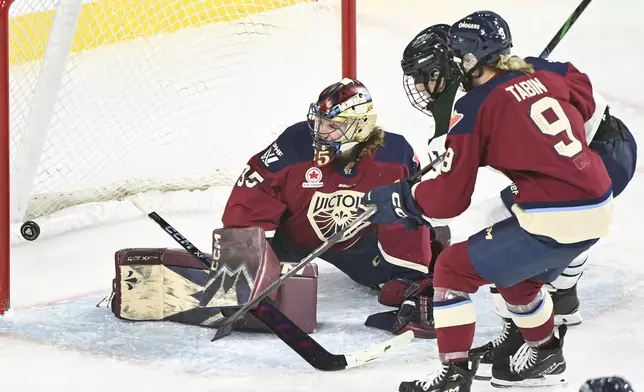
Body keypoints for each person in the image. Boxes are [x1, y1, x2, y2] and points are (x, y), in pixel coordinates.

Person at [363, 11, 614, 391]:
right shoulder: (546, 72)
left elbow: (450, 199)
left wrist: (405, 199)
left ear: (467, 59)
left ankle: (453, 375)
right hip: (598, 201)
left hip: (554, 213)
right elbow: (579, 85)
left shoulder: (474, 109)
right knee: (514, 276)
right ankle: (545, 355)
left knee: (451, 268)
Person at [216, 77, 446, 338]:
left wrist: (415, 266)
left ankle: (420, 274)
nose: (319, 131)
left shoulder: (395, 154)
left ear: (360, 127)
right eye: (320, 121)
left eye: (332, 126)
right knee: (250, 260)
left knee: (405, 221)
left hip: (360, 245)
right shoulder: (294, 145)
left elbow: (414, 209)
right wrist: (244, 261)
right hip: (295, 240)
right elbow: (250, 196)